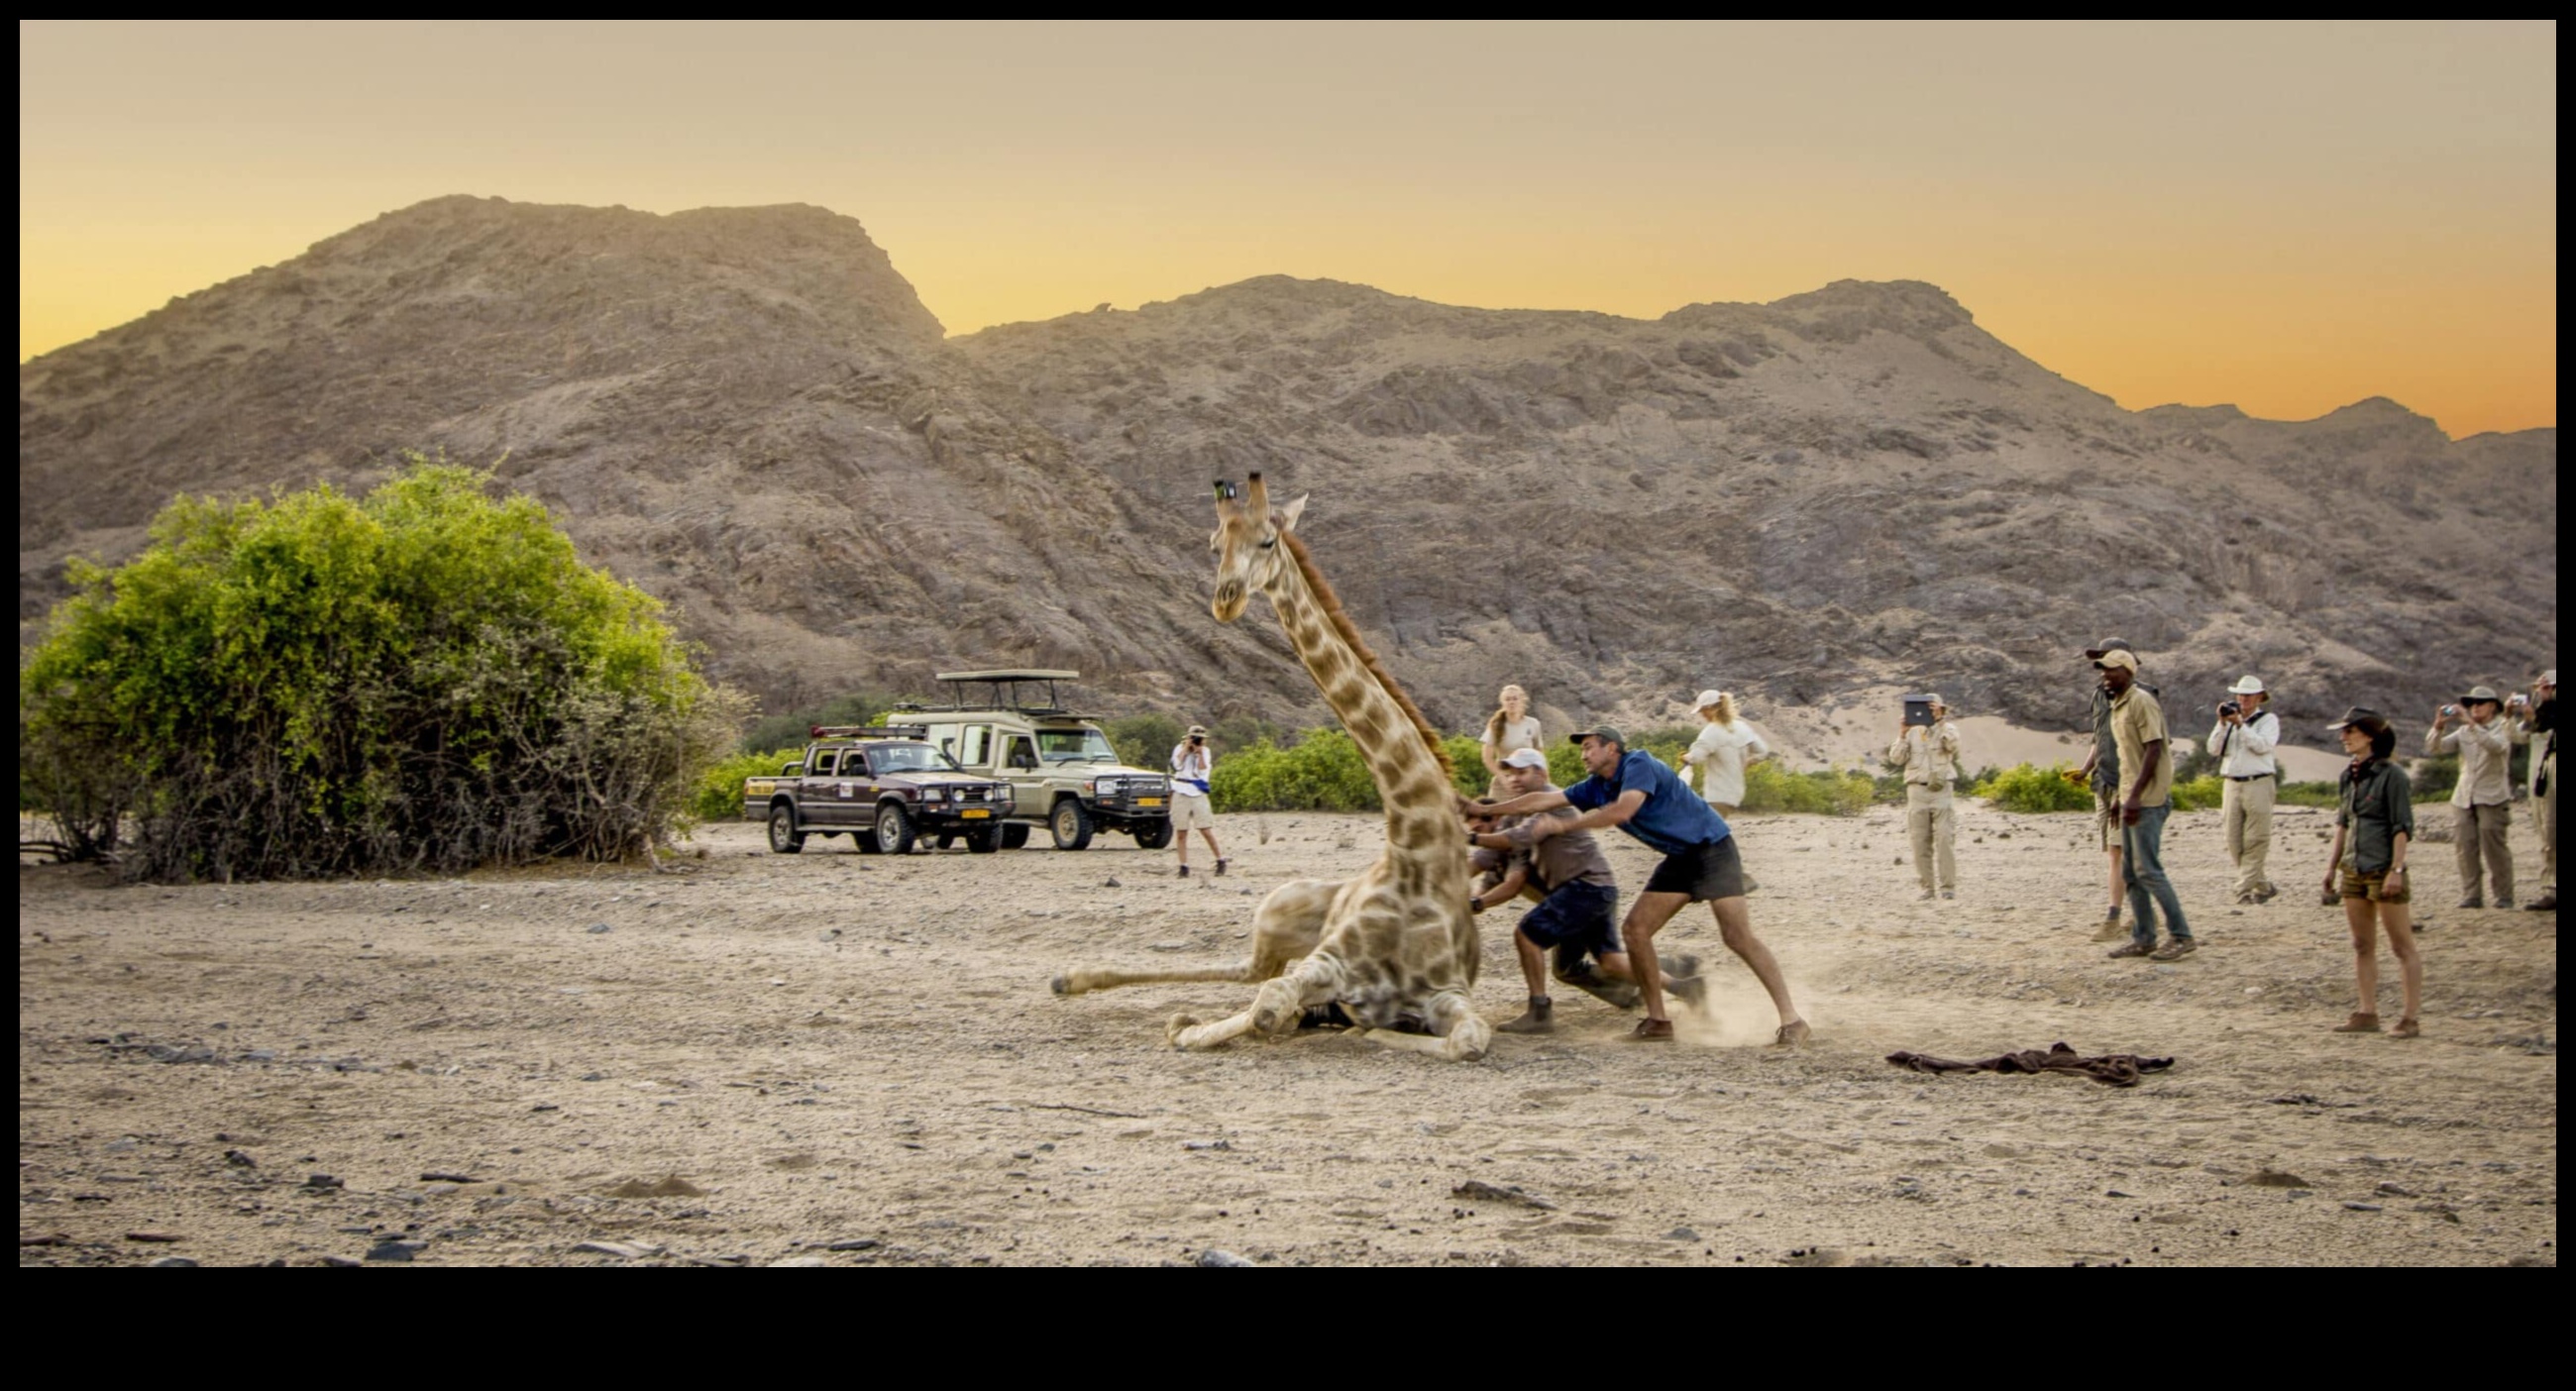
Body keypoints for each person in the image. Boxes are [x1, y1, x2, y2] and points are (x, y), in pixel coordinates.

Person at [1471, 725, 1806, 1045]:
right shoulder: (1595, 785)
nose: (1583, 755)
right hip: (1681, 858)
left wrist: (1558, 828)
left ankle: (1792, 1020)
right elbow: (1540, 802)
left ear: (1611, 748)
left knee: (1738, 937)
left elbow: (1622, 811)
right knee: (1635, 930)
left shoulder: (1639, 763)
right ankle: (1658, 1022)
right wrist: (1482, 808)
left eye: (1589, 747)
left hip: (1712, 850)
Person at [1465, 749, 1661, 1032]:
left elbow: (1513, 868)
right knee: (1589, 964)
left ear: (1541, 773)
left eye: (1522, 772)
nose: (1513, 779)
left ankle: (1539, 1013)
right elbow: (1480, 863)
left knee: (1528, 935)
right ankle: (1671, 983)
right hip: (1588, 890)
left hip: (1584, 888)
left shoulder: (1549, 803)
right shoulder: (1512, 817)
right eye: (1509, 774)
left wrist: (1470, 842)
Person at [2322, 708, 2419, 1037]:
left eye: (2350, 731)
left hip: (2382, 867)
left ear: (2370, 736)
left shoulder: (2393, 775)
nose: (2344, 737)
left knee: (2401, 945)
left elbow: (2401, 826)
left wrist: (2397, 869)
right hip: (2355, 867)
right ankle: (2367, 1011)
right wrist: (2332, 867)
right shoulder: (2347, 775)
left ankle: (2410, 1017)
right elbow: (2343, 824)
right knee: (2362, 944)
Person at [2097, 649, 2196, 961]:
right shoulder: (2118, 706)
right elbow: (2129, 758)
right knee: (2130, 871)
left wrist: (2136, 796)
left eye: (2111, 670)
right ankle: (2144, 937)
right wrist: (2120, 799)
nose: (2105, 676)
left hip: (2148, 799)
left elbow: (2154, 749)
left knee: (2148, 870)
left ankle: (2181, 936)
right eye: (2103, 671)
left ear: (2127, 671)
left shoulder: (2141, 701)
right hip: (2130, 797)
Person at [2067, 638, 2143, 938]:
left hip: (2127, 785)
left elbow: (2148, 747)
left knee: (2121, 851)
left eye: (2107, 660)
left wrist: (2129, 791)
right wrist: (2085, 770)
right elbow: (2100, 737)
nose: (2102, 669)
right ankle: (2133, 916)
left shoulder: (2142, 697)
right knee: (2116, 852)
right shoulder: (2099, 696)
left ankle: (2117, 917)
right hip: (2103, 782)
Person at [2426, 687, 2514, 910]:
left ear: (2492, 706)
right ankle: (2472, 895)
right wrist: (2439, 726)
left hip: (2492, 795)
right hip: (2464, 795)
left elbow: (2496, 747)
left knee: (2494, 847)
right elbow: (2435, 748)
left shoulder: (2502, 727)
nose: (2475, 707)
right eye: (2471, 703)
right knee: (2465, 846)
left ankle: (2504, 895)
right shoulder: (2464, 732)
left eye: (2481, 702)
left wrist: (2471, 725)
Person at [2208, 675, 2282, 905]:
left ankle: (2242, 890)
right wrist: (2223, 724)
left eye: (2248, 695)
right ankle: (2262, 885)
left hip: (2258, 782)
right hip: (2232, 782)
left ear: (2259, 697)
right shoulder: (2229, 720)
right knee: (2233, 840)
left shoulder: (2268, 720)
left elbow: (2262, 746)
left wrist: (2241, 725)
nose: (2243, 699)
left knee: (2256, 838)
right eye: (2240, 695)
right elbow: (2213, 749)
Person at [1883, 695, 1962, 901]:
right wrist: (1902, 734)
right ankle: (1927, 888)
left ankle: (1948, 887)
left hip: (1941, 789)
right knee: (1919, 841)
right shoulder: (1911, 732)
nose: (1927, 712)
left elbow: (1953, 746)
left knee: (1945, 838)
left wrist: (1939, 722)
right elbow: (1896, 759)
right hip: (1917, 791)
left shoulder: (1949, 729)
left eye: (1932, 708)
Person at [1680, 690, 1771, 815]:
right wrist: (1747, 763)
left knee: (1701, 830)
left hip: (1716, 795)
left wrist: (1685, 757)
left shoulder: (1711, 731)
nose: (1702, 715)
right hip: (1735, 794)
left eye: (1703, 711)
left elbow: (1696, 757)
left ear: (1711, 708)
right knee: (1713, 830)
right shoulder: (1742, 727)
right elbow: (1763, 751)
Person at [2510, 671, 2555, 911]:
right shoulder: (2538, 716)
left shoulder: (2547, 714)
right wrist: (2512, 715)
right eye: (2543, 687)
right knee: (2547, 834)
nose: (2546, 691)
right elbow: (2518, 736)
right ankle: (2551, 888)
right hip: (2542, 781)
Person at [1169, 724, 1227, 878]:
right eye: (1194, 737)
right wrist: (1185, 748)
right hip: (1181, 789)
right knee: (1181, 831)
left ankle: (1220, 859)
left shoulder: (1205, 752)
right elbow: (1176, 765)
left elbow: (1202, 770)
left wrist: (1199, 754)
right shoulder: (1179, 748)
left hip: (1197, 791)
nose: (1196, 740)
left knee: (1205, 829)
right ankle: (1183, 866)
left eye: (1199, 738)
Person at [1478, 685, 1543, 781]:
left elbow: (1539, 753)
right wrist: (1502, 778)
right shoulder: (1496, 725)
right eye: (1507, 699)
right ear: (1502, 702)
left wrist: (1541, 775)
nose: (1511, 702)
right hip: (1506, 777)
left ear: (1521, 701)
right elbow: (1487, 758)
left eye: (1515, 699)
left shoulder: (1533, 724)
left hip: (1528, 779)